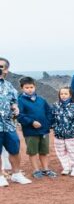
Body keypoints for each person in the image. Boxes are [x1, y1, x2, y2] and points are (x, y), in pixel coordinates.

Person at [0, 57, 32, 186]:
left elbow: (14, 101)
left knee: (14, 149)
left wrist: (15, 107)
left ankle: (16, 174)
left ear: (6, 70)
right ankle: (1, 176)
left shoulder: (9, 86)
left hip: (8, 124)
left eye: (1, 66)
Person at [16, 77, 55, 179]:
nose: (29, 89)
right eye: (27, 87)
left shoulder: (41, 100)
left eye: (31, 87)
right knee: (33, 152)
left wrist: (47, 123)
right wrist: (31, 122)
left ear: (35, 87)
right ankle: (36, 170)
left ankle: (46, 169)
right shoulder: (20, 101)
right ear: (22, 88)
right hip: (30, 132)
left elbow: (49, 112)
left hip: (44, 131)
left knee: (44, 151)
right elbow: (19, 115)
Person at [50, 87, 74, 176]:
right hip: (59, 135)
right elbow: (52, 118)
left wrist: (73, 130)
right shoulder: (55, 105)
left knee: (73, 151)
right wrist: (55, 128)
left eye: (65, 94)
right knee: (61, 152)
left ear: (70, 95)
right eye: (61, 94)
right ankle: (66, 167)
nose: (63, 96)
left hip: (71, 135)